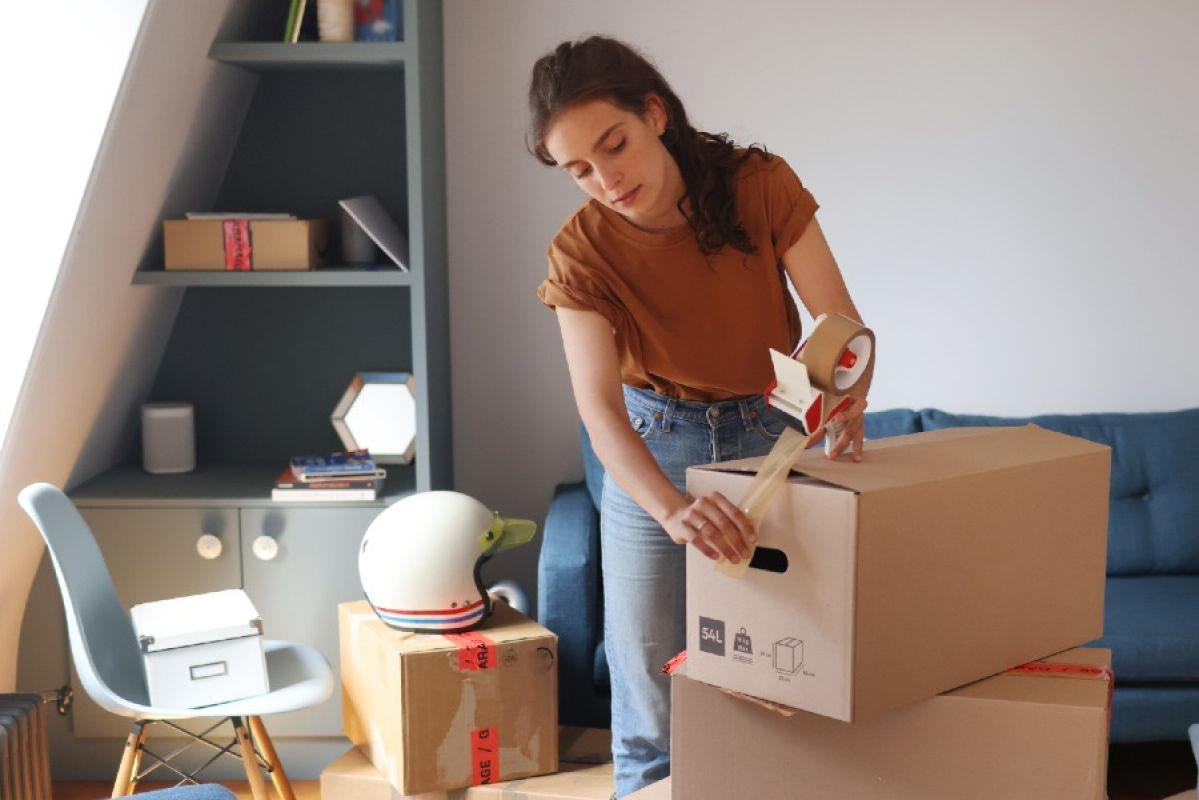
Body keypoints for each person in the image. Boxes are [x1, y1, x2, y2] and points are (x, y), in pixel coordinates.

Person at [529, 35, 871, 798]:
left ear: (654, 114)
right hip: (655, 442)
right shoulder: (578, 255)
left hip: (772, 426)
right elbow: (598, 407)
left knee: (794, 670)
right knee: (649, 698)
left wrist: (845, 390)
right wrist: (672, 510)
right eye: (577, 169)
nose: (604, 178)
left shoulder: (758, 184)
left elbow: (834, 321)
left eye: (613, 145)